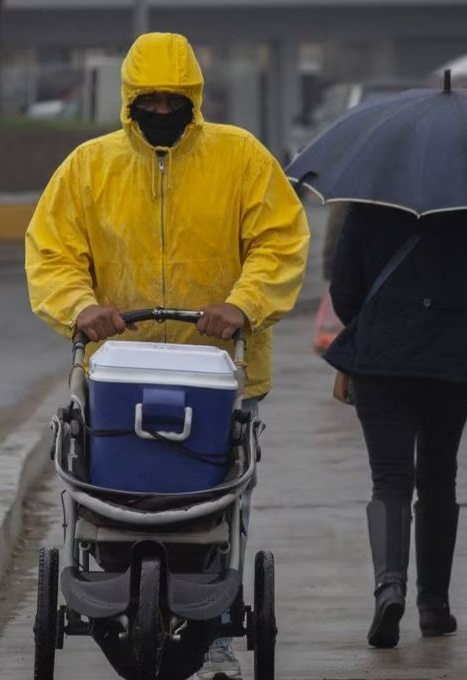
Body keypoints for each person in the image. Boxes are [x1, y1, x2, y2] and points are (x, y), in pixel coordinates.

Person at [24, 32, 310, 678]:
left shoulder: (240, 160)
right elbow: (52, 252)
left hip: (218, 375)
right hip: (119, 378)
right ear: (128, 102)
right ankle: (117, 581)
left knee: (219, 508)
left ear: (193, 99)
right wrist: (80, 306)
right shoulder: (89, 169)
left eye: (171, 101)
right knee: (112, 501)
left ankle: (215, 636)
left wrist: (241, 304)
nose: (160, 112)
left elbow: (280, 241)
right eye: (147, 102)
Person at [326, 203, 467, 649]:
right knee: (438, 477)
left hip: (383, 360)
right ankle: (434, 606)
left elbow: (345, 295)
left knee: (389, 480)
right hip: (452, 362)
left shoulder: (367, 210)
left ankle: (390, 587)